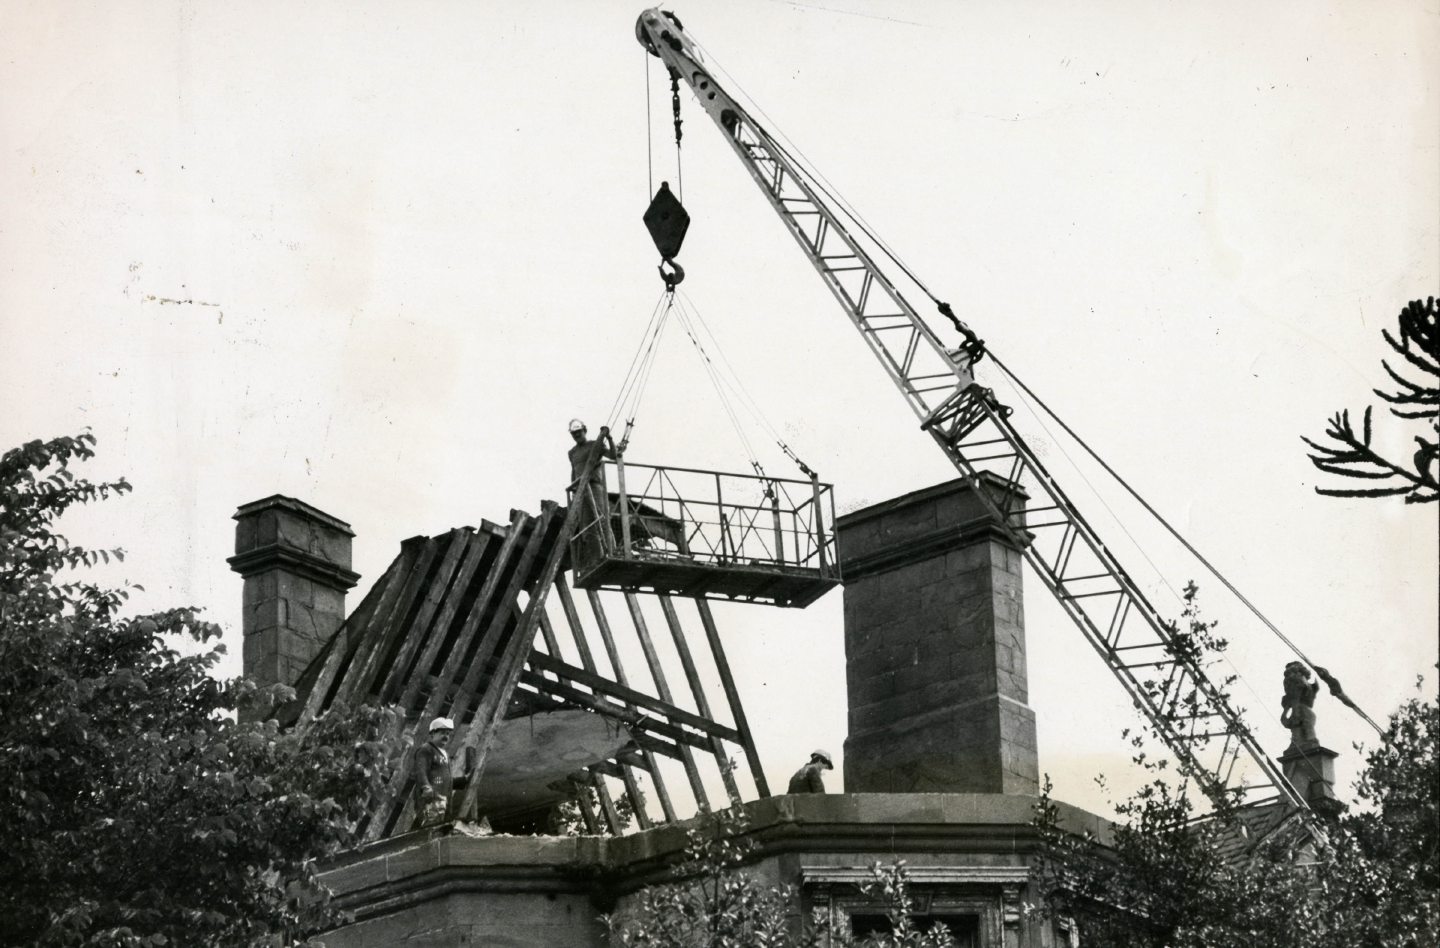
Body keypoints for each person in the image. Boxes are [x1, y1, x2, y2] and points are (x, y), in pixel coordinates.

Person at [567, 419, 618, 564]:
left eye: (579, 432)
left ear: (584, 430)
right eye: (574, 433)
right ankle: (598, 558)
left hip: (594, 487)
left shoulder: (594, 445)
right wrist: (573, 492)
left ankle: (613, 552)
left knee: (602, 519)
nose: (577, 435)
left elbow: (613, 456)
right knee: (587, 526)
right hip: (580, 491)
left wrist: (609, 438)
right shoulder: (572, 453)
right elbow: (574, 472)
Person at [413, 717, 458, 828]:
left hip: (443, 799)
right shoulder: (426, 749)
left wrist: (462, 781)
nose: (446, 736)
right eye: (442, 733)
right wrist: (426, 787)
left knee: (440, 828)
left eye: (448, 734)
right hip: (432, 800)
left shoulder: (445, 754)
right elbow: (421, 771)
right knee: (431, 827)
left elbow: (444, 777)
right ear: (432, 733)